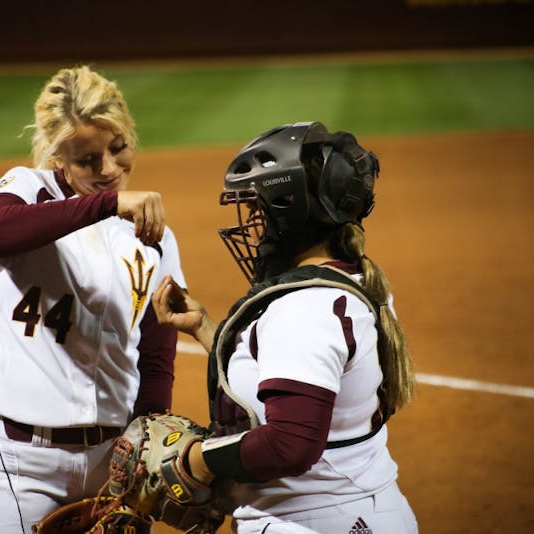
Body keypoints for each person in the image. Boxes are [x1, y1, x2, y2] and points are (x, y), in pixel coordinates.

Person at [152, 122, 418, 533]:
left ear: (289, 210)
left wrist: (194, 460)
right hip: (360, 512)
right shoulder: (356, 283)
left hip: (312, 522)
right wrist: (207, 328)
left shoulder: (304, 310)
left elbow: (288, 445)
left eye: (258, 208)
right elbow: (289, 375)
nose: (252, 225)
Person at [0, 65, 187, 533]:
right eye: (87, 160)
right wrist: (107, 205)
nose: (108, 170)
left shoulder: (154, 235)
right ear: (57, 158)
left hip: (113, 464)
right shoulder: (27, 191)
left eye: (117, 148)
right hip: (21, 463)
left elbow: (156, 340)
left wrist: (148, 430)